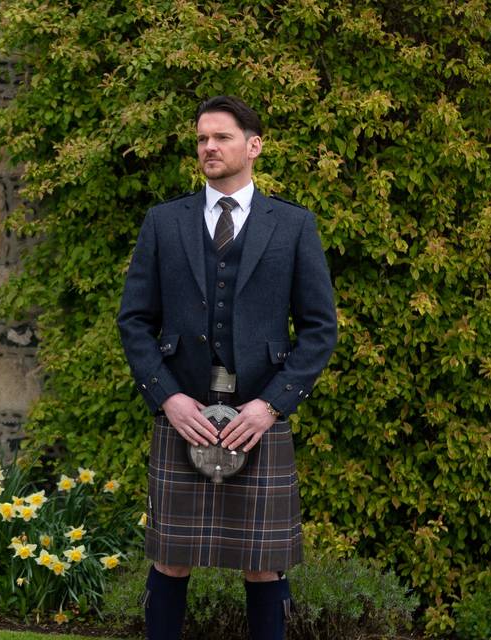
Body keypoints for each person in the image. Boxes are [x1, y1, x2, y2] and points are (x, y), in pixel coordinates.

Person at [117, 95, 337, 640]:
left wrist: (272, 406)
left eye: (221, 137)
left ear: (253, 145)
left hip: (258, 413)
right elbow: (134, 320)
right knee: (171, 556)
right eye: (201, 139)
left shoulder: (291, 225)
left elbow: (319, 330)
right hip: (183, 411)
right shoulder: (165, 222)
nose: (209, 147)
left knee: (263, 561)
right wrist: (166, 396)